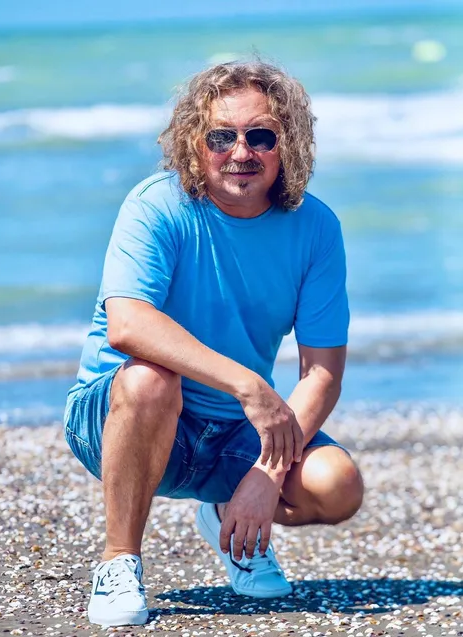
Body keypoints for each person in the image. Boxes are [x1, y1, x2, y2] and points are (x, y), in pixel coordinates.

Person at [64, 60, 364, 627]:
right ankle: (119, 560)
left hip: (231, 432)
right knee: (150, 379)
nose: (240, 152)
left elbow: (322, 371)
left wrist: (265, 474)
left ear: (288, 143)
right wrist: (249, 385)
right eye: (221, 136)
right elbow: (128, 324)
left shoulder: (316, 227)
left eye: (260, 136)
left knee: (337, 486)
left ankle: (228, 514)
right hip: (117, 418)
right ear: (194, 142)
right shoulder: (157, 205)